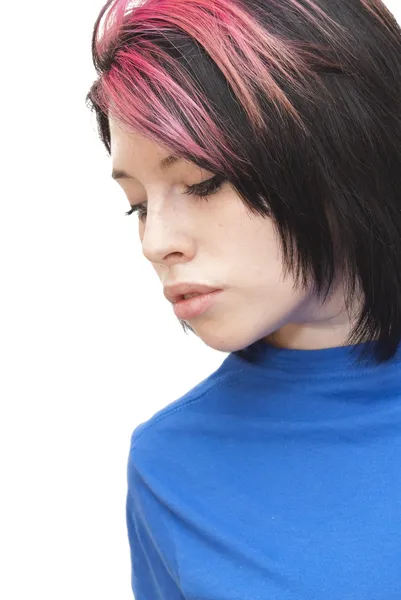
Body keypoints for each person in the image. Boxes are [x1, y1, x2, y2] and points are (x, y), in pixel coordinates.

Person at [86, 0, 401, 597]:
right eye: (138, 204)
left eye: (203, 183)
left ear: (343, 148)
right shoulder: (171, 467)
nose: (156, 243)